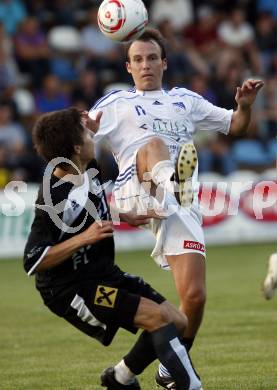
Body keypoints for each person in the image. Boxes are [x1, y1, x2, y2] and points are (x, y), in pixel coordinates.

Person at [87, 28, 264, 388]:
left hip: (178, 206)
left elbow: (236, 126)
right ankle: (174, 182)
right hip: (137, 189)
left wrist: (244, 106)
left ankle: (149, 370)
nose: (146, 65)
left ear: (164, 63)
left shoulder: (186, 100)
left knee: (194, 300)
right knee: (153, 144)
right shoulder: (114, 103)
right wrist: (82, 138)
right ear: (128, 67)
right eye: (138, 60)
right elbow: (78, 142)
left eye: (152, 58)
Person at [23, 107, 203, 390]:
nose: (92, 136)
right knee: (157, 319)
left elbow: (91, 208)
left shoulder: (88, 165)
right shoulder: (52, 195)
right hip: (71, 288)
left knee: (178, 321)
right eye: (85, 133)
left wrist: (123, 215)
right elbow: (34, 260)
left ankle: (120, 377)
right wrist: (85, 238)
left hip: (102, 272)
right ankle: (191, 386)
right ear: (75, 148)